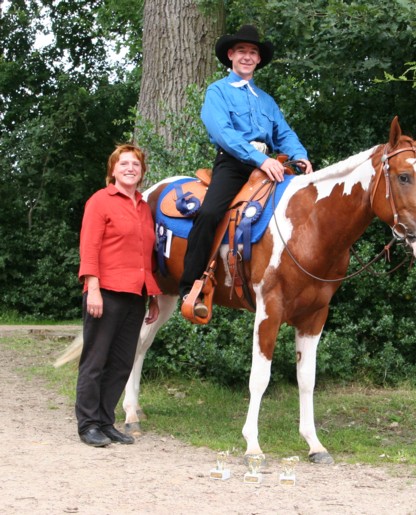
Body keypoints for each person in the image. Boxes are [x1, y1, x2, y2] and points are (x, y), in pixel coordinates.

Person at [180, 24, 313, 318]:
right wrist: (258, 158)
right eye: (242, 51)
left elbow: (284, 133)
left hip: (270, 167)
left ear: (258, 60)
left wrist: (300, 156)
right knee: (211, 213)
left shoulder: (266, 100)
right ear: (230, 55)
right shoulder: (218, 92)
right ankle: (191, 285)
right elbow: (224, 133)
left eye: (253, 52)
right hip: (234, 164)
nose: (247, 57)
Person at [75, 144, 161, 447]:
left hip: (136, 294)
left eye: (135, 165)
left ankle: (105, 420)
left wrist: (152, 296)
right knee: (96, 360)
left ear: (142, 172)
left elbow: (146, 256)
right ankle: (88, 424)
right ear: (113, 170)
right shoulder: (100, 201)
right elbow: (89, 248)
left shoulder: (143, 207)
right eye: (123, 164)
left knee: (123, 362)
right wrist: (93, 290)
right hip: (106, 292)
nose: (130, 168)